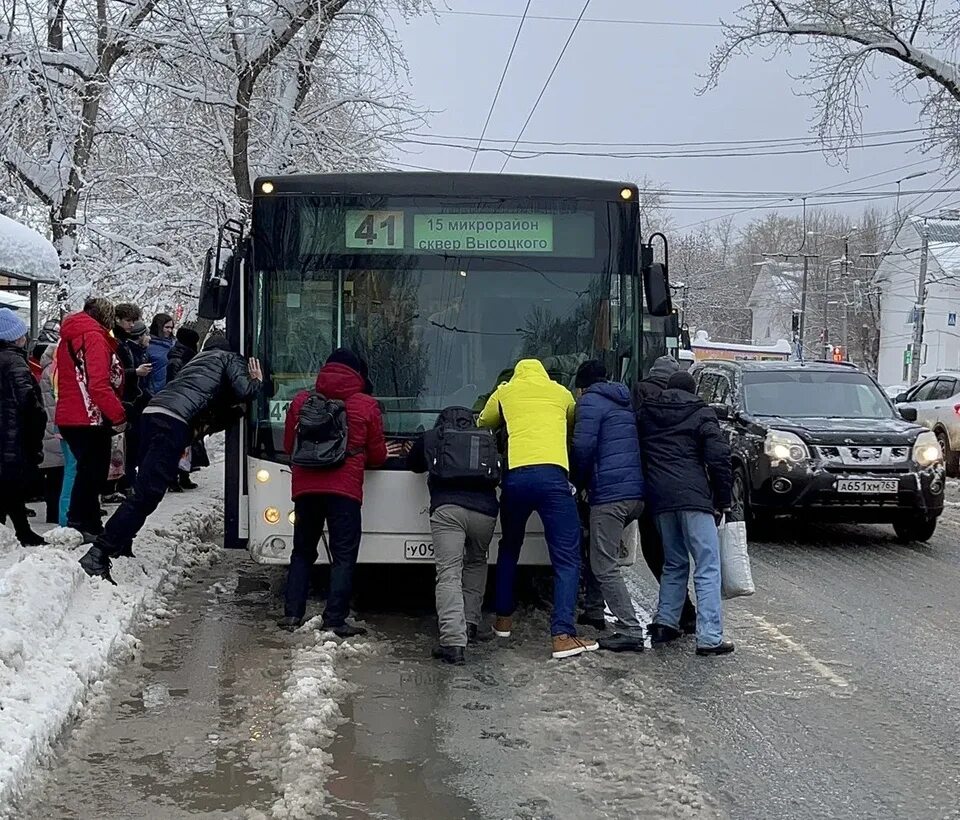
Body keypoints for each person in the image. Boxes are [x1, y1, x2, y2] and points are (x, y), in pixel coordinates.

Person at [77, 337, 262, 581]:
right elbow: (245, 390)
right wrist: (256, 379)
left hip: (152, 415)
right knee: (148, 493)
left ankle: (123, 543)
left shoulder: (196, 362)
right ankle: (99, 553)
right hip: (171, 423)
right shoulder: (228, 358)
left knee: (143, 488)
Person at [478, 359, 598, 660]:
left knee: (509, 549)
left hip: (515, 478)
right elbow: (572, 426)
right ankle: (562, 636)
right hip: (553, 479)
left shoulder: (505, 392)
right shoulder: (561, 393)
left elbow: (483, 422)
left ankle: (503, 622)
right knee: (567, 559)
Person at [279, 348, 399, 636]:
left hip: (306, 489)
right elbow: (377, 456)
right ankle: (334, 618)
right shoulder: (366, 405)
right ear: (358, 374)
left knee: (302, 553)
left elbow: (288, 446)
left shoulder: (301, 401)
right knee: (343, 556)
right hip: (344, 492)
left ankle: (292, 614)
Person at [638, 371, 734, 656]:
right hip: (694, 498)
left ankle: (666, 623)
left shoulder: (647, 414)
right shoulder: (701, 413)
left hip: (660, 499)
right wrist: (724, 499)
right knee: (707, 565)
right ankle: (709, 637)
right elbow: (718, 458)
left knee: (674, 562)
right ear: (693, 391)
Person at [408, 407, 499, 665]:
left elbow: (413, 465)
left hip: (448, 511)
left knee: (449, 572)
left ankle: (453, 642)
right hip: (485, 513)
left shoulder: (432, 436)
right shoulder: (486, 436)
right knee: (476, 562)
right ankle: (470, 623)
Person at [572, 360, 647, 653]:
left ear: (582, 386)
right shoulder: (622, 400)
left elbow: (582, 447)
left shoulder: (589, 402)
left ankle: (630, 629)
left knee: (604, 563)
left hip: (610, 495)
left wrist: (575, 482)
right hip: (634, 494)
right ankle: (593, 610)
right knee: (597, 549)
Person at [633, 355, 697, 634]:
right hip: (682, 490)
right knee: (681, 555)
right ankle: (686, 614)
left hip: (644, 483)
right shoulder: (686, 403)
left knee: (656, 551)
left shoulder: (638, 397)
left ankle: (675, 613)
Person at [56, 297, 126, 540]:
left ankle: (86, 523)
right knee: (93, 473)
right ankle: (84, 524)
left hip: (69, 414)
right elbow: (98, 384)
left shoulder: (69, 336)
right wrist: (118, 415)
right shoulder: (93, 337)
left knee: (87, 470)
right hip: (90, 416)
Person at [0, 309, 47, 545]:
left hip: (5, 433)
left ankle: (17, 532)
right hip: (13, 434)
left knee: (7, 486)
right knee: (11, 485)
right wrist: (37, 424)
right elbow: (28, 402)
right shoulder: (15, 362)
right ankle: (22, 533)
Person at [165, 327, 203, 491]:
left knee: (186, 442)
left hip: (186, 403)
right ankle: (173, 478)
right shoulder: (179, 359)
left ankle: (183, 475)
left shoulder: (184, 356)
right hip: (180, 405)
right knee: (177, 443)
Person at [38, 341, 65, 524]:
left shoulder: (47, 370)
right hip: (56, 426)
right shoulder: (56, 371)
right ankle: (55, 514)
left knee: (54, 474)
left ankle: (52, 512)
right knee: (59, 473)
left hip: (49, 427)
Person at [146, 312, 175, 394]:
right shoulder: (148, 345)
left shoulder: (174, 344)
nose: (170, 330)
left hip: (171, 391)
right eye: (167, 327)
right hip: (154, 391)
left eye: (171, 328)